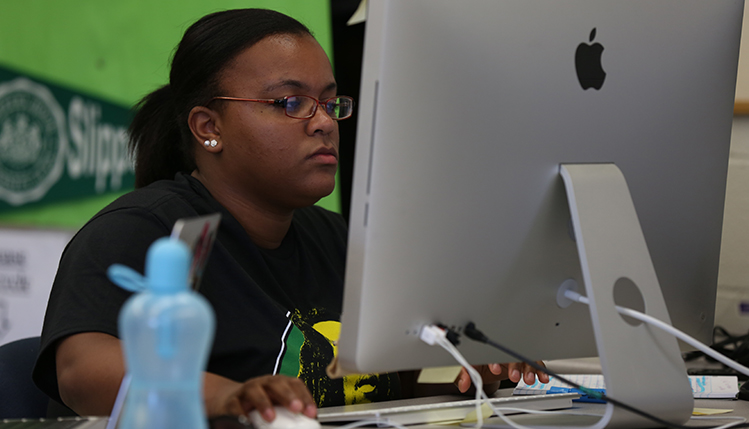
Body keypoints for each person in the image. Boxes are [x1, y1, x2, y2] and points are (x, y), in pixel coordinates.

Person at [32, 8, 548, 422]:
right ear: (208, 126)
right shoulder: (146, 233)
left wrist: (471, 370)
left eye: (329, 103)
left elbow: (389, 383)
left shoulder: (341, 240)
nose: (323, 122)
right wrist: (232, 397)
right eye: (290, 103)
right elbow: (81, 373)